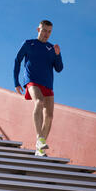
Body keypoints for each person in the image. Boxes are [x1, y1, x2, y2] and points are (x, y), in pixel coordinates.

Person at [13, 20, 64, 156]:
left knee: (50, 116)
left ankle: (39, 149)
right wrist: (16, 82)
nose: (46, 34)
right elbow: (17, 60)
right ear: (38, 29)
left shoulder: (52, 48)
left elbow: (59, 69)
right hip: (32, 81)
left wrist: (58, 55)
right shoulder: (29, 44)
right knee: (39, 102)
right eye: (44, 30)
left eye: (49, 31)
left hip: (47, 84)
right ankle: (39, 138)